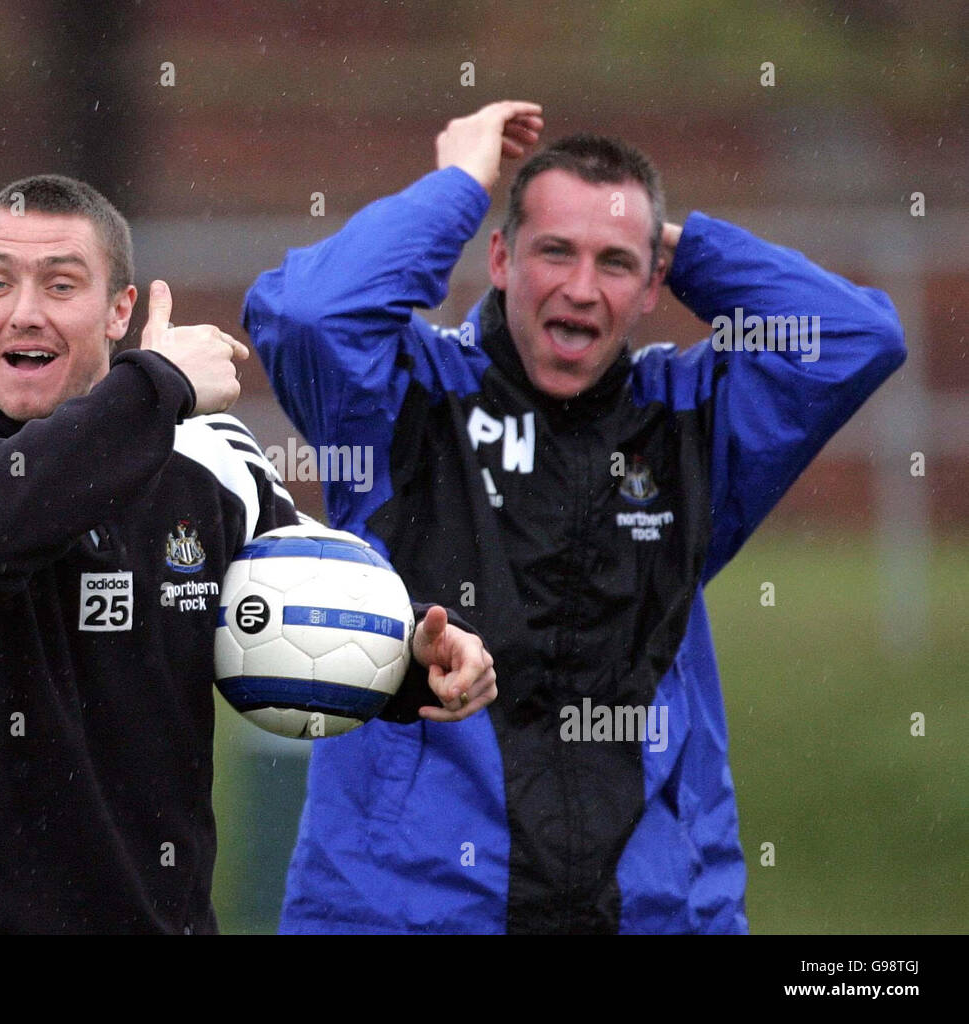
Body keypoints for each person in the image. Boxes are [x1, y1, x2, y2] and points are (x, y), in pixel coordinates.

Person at [244, 101, 906, 934]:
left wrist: (686, 246)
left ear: (653, 285)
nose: (582, 289)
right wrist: (458, 184)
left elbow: (857, 338)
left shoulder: (690, 421)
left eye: (616, 263)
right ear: (499, 257)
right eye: (554, 251)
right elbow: (310, 311)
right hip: (405, 909)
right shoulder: (399, 398)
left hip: (658, 912)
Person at [0, 174, 495, 934]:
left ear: (121, 310)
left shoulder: (212, 459)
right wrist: (154, 388)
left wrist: (417, 651)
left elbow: (295, 604)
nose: (25, 312)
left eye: (61, 284)